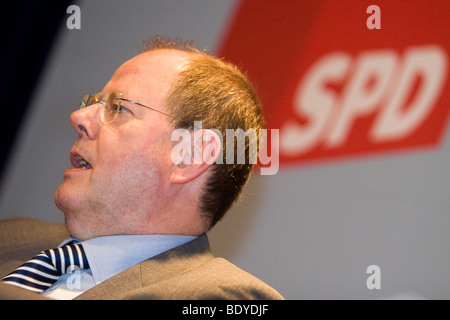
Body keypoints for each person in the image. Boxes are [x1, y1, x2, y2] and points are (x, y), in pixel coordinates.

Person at [0, 36, 283, 300]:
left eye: (118, 108)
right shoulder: (12, 234)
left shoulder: (219, 295)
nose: (79, 117)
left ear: (190, 156)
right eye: (93, 103)